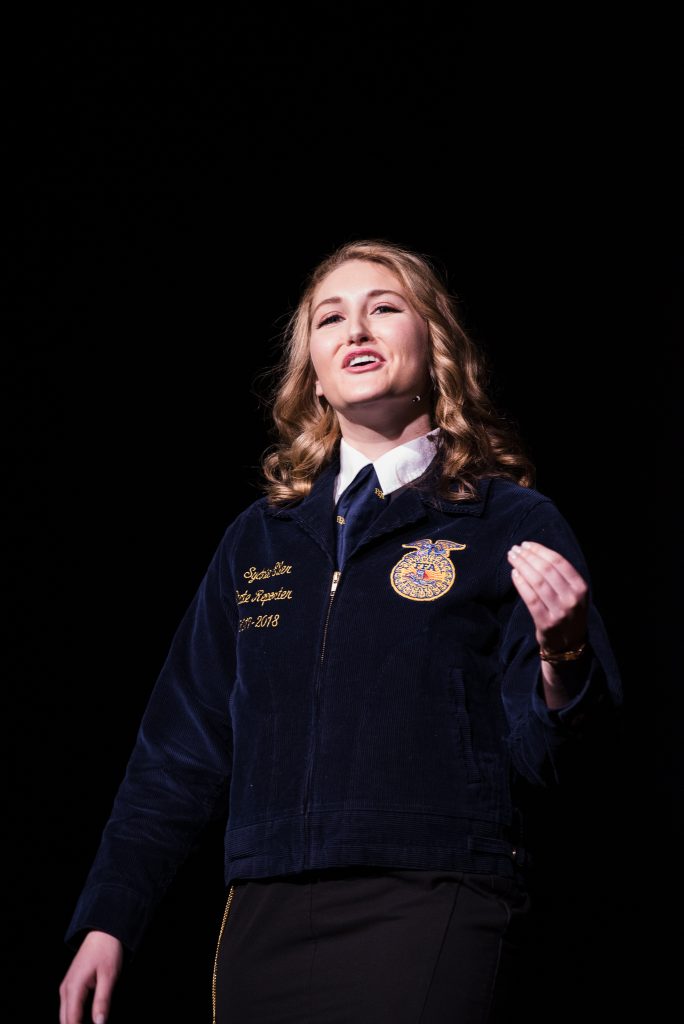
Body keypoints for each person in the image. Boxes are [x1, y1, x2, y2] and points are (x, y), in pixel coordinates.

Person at [59, 238, 623, 1024]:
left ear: (436, 352)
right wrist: (110, 915)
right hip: (266, 912)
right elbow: (175, 754)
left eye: (384, 309)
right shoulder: (259, 540)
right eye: (331, 319)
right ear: (313, 376)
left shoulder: (507, 522)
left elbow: (556, 759)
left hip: (432, 895)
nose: (355, 330)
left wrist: (565, 660)